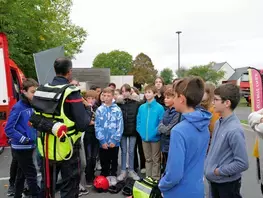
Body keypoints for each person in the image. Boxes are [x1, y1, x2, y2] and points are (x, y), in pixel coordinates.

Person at [31, 57, 91, 198]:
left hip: (45, 148)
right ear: (69, 72)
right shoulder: (71, 92)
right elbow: (82, 124)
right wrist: (88, 109)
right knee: (69, 189)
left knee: (46, 188)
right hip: (67, 150)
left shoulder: (41, 89)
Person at [159, 77, 211, 198]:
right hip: (197, 189)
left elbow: (174, 173)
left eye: (175, 95)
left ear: (181, 99)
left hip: (178, 192)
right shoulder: (204, 125)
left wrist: (162, 185)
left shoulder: (179, 130)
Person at [205, 83, 249, 198]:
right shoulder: (219, 122)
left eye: (216, 99)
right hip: (215, 182)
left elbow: (242, 163)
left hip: (227, 185)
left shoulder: (234, 130)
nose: (213, 102)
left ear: (227, 103)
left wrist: (218, 171)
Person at [5, 78, 39, 198]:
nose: (35, 94)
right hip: (21, 147)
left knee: (21, 175)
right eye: (33, 91)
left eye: (37, 91)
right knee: (31, 174)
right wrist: (23, 139)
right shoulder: (18, 107)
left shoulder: (33, 105)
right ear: (23, 91)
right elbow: (8, 129)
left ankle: (17, 195)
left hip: (30, 145)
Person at [95, 87, 123, 185]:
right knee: (104, 159)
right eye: (104, 95)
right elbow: (97, 126)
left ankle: (113, 174)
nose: (106, 98)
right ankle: (105, 175)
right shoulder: (99, 110)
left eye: (108, 96)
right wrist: (102, 141)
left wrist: (115, 140)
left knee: (114, 159)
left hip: (113, 142)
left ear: (113, 96)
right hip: (103, 142)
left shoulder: (117, 109)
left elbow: (120, 126)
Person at [136, 84, 164, 180]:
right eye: (146, 92)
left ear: (155, 94)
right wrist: (141, 132)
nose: (147, 94)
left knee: (156, 159)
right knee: (148, 159)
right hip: (144, 137)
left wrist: (156, 132)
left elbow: (161, 122)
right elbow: (138, 121)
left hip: (155, 138)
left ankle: (155, 177)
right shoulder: (142, 107)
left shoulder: (159, 108)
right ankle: (148, 177)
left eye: (149, 92)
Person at [117, 84, 140, 181]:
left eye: (126, 91)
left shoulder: (136, 103)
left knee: (131, 151)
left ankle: (131, 170)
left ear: (130, 91)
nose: (124, 93)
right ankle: (123, 171)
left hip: (133, 131)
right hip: (122, 131)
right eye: (122, 91)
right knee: (123, 151)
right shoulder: (119, 104)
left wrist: (135, 96)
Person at [158, 88, 181, 172]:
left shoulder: (177, 113)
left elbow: (169, 130)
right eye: (165, 97)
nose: (165, 100)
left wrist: (163, 129)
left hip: (171, 144)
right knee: (164, 165)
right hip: (164, 143)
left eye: (168, 98)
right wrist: (163, 128)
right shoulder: (167, 111)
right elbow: (160, 124)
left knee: (170, 167)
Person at [82, 90, 99, 186]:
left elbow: (99, 121)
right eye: (89, 98)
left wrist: (93, 122)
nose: (91, 100)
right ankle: (88, 176)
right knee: (88, 157)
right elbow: (85, 121)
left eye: (93, 98)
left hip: (96, 135)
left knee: (94, 157)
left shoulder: (98, 108)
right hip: (87, 135)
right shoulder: (84, 108)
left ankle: (92, 174)